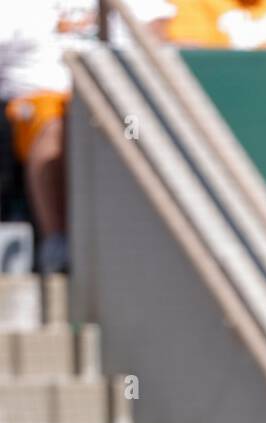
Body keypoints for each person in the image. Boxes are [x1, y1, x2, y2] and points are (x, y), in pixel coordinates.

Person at [0, 1, 175, 274]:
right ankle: (57, 242)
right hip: (38, 100)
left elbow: (156, 31)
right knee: (54, 126)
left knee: (134, 127)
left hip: (112, 97)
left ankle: (135, 233)